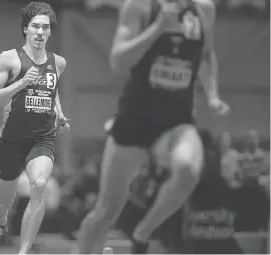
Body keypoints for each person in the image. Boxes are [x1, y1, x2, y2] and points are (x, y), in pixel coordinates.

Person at [76, 0, 230, 253]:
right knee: (107, 209)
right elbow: (118, 61)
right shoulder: (138, 6)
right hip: (135, 119)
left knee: (189, 169)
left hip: (175, 120)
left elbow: (205, 54)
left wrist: (212, 94)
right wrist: (158, 27)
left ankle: (142, 234)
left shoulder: (205, 8)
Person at [0, 2, 70, 254]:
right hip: (11, 140)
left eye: (45, 27)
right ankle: (1, 218)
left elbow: (52, 93)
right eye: (35, 27)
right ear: (25, 29)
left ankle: (22, 251)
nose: (40, 32)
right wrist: (21, 84)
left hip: (42, 138)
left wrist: (60, 114)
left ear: (50, 32)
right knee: (4, 200)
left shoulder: (58, 63)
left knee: (40, 184)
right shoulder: (9, 59)